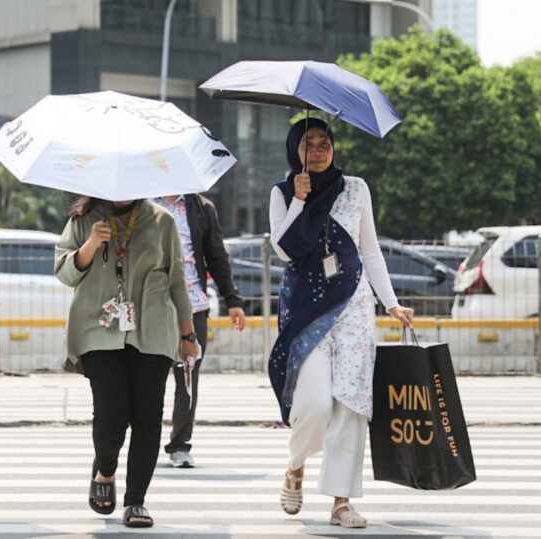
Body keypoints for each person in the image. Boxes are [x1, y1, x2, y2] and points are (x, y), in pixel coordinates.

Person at [268, 118, 414, 528]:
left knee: (351, 405)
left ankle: (341, 502)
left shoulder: (356, 188)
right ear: (294, 149)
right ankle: (295, 465)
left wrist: (392, 303)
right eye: (308, 144)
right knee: (312, 404)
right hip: (308, 309)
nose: (317, 150)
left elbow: (370, 250)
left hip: (354, 307)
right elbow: (284, 250)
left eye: (324, 142)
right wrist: (300, 201)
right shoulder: (282, 193)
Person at [55, 197, 198, 528]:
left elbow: (177, 279)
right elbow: (65, 272)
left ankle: (136, 501)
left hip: (153, 328)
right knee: (110, 414)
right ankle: (105, 468)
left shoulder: (163, 221)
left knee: (147, 417)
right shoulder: (83, 219)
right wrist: (92, 242)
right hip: (98, 328)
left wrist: (188, 336)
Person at [153, 194, 246, 468]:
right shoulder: (144, 203)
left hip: (193, 306)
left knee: (188, 376)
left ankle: (180, 445)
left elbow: (217, 256)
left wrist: (232, 300)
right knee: (149, 377)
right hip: (153, 306)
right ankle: (145, 440)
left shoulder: (202, 208)